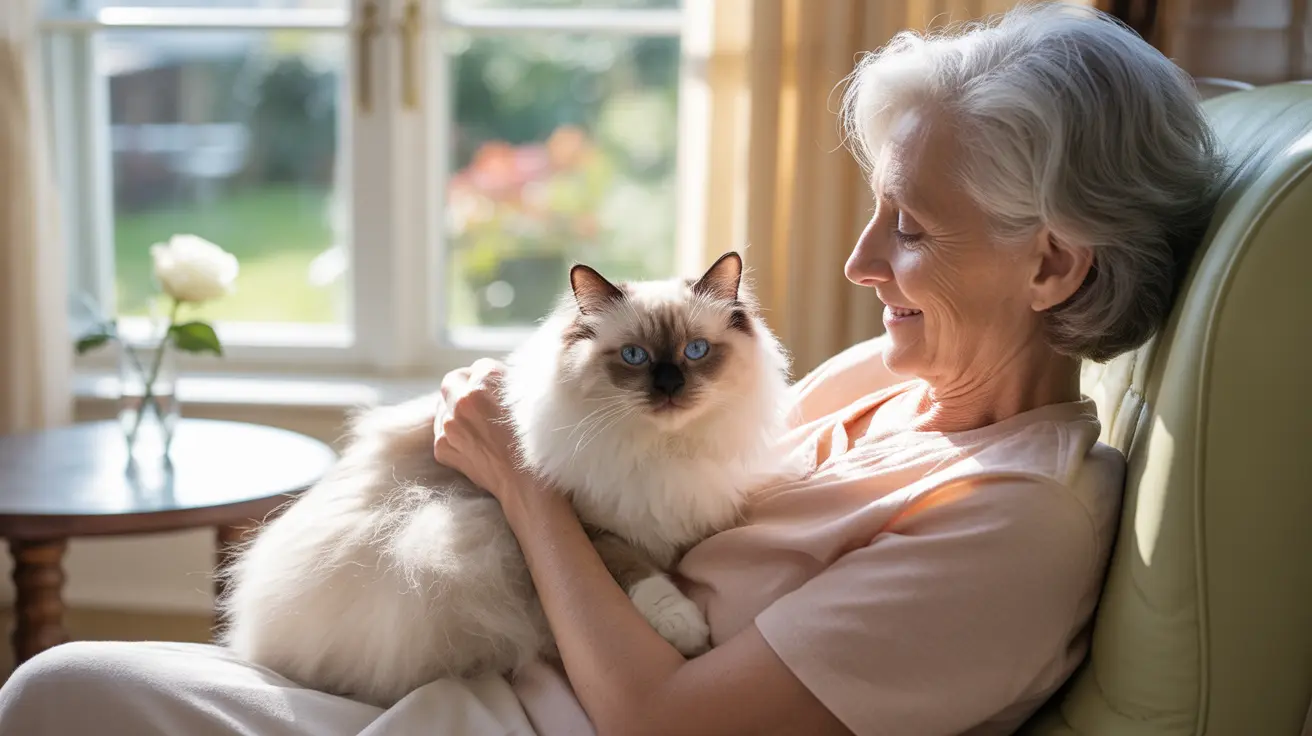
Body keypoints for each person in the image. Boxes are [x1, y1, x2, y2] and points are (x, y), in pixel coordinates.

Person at [0, 3, 1223, 734]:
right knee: (69, 685)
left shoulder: (1012, 526)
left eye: (908, 226)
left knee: (55, 694)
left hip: (517, 723)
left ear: (1052, 267)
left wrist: (520, 477)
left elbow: (664, 722)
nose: (857, 262)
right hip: (470, 668)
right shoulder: (887, 386)